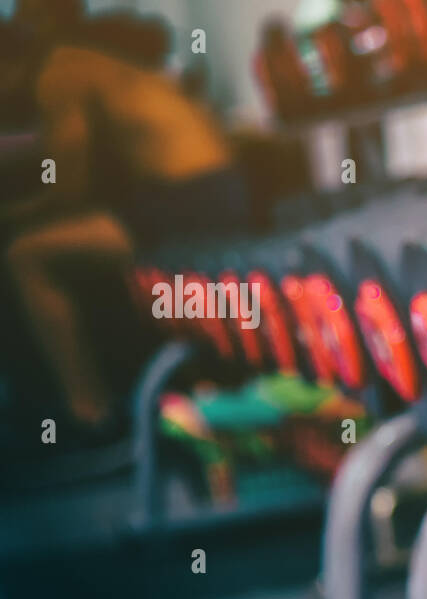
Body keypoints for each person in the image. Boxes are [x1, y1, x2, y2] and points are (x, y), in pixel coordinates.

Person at [1, 2, 252, 431]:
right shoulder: (87, 59)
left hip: (191, 197)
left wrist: (14, 213)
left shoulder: (58, 71)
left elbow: (67, 184)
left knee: (26, 254)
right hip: (215, 186)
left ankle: (90, 414)